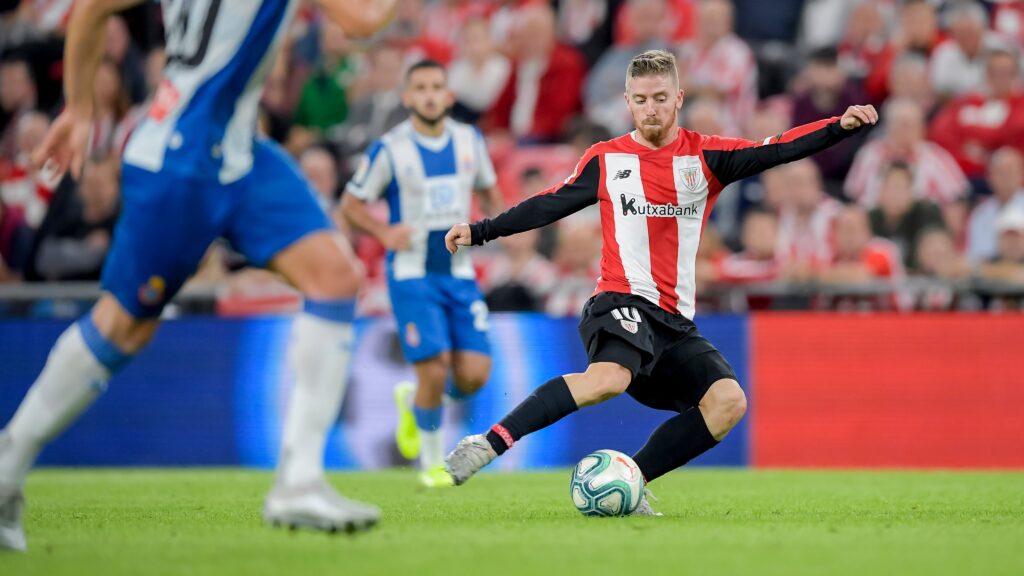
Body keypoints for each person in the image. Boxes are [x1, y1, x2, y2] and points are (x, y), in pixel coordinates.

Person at [0, 0, 397, 552]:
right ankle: (7, 463)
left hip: (234, 150)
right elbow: (364, 20)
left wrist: (80, 109)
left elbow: (90, 9)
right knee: (122, 326)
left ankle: (299, 481)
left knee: (334, 276)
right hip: (182, 160)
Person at [442, 49, 877, 513]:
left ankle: (630, 478)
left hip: (673, 321)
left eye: (661, 98)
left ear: (679, 99)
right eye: (642, 99)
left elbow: (775, 148)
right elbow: (549, 202)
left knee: (728, 402)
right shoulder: (607, 159)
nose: (651, 108)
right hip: (619, 301)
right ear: (628, 102)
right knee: (607, 379)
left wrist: (838, 127)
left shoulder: (708, 157)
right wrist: (482, 230)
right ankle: (489, 443)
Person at [340, 60, 503, 487]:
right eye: (421, 88)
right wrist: (382, 230)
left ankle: (415, 404)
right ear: (407, 97)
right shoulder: (390, 149)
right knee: (433, 367)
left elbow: (489, 191)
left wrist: (501, 218)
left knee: (473, 375)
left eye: (437, 87)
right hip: (412, 273)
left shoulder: (470, 141)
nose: (430, 95)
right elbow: (351, 203)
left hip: (459, 271)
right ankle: (433, 464)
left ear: (448, 96)